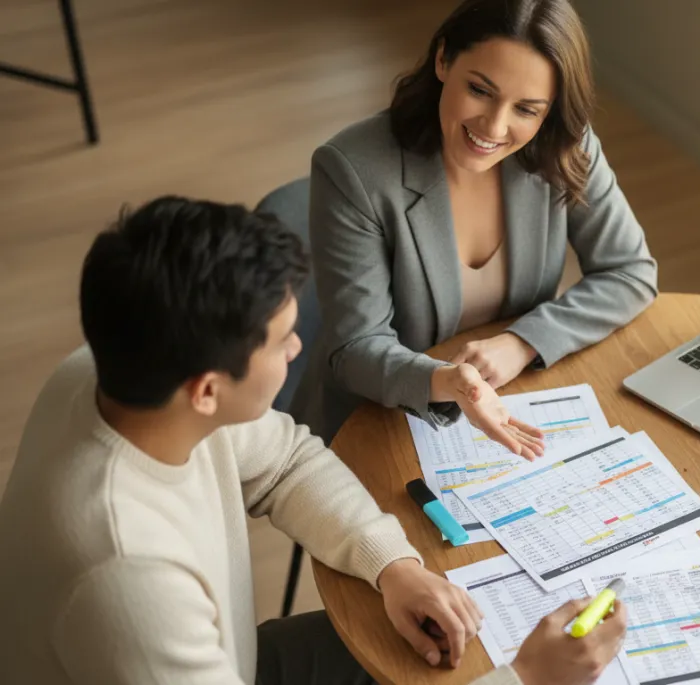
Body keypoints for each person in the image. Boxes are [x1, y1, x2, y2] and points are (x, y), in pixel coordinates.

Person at [0, 197, 627, 685]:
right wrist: (526, 678)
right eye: (280, 341)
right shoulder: (128, 578)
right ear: (207, 390)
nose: (299, 348)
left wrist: (392, 565)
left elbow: (286, 461)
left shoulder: (119, 370)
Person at [294, 0, 658, 456]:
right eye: (481, 90)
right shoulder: (353, 170)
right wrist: (447, 381)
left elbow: (629, 272)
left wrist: (523, 343)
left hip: (509, 406)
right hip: (381, 419)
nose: (495, 126)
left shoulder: (565, 142)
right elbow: (355, 348)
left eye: (527, 109)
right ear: (443, 59)